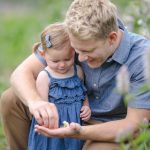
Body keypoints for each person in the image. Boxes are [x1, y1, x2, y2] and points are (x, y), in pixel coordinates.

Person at [0, 0, 150, 150]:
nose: (81, 58)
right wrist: (36, 102)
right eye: (76, 50)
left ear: (111, 38)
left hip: (109, 126)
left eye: (87, 51)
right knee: (11, 100)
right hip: (67, 110)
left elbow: (134, 125)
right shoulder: (72, 35)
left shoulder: (142, 56)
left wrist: (80, 132)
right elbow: (20, 73)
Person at [28, 22, 91, 150]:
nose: (62, 65)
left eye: (67, 59)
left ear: (74, 51)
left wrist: (86, 106)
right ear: (43, 55)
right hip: (53, 128)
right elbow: (42, 108)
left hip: (74, 124)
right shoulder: (45, 77)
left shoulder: (77, 71)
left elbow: (82, 93)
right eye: (55, 61)